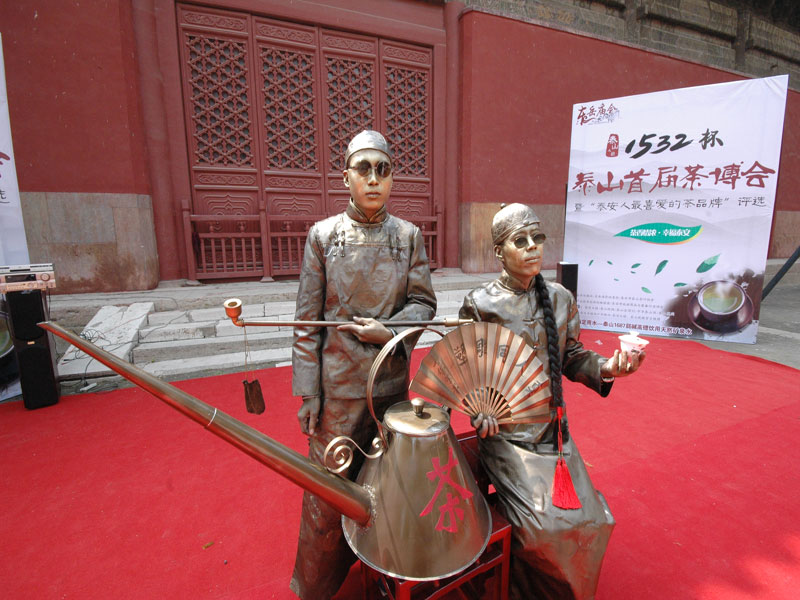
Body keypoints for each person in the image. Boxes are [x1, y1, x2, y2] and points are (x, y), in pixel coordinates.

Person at [459, 203, 646, 600]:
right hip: (507, 437)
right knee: (546, 529)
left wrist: (609, 367)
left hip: (553, 432)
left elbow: (572, 356)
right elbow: (467, 368)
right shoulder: (480, 303)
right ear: (499, 252)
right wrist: (480, 409)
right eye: (520, 240)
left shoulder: (560, 298)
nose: (532, 246)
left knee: (594, 521)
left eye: (537, 238)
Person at [290, 130, 437, 599]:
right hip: (336, 391)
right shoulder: (323, 236)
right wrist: (309, 393)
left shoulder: (408, 236)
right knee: (328, 493)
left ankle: (385, 572)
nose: (374, 179)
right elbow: (306, 322)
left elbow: (424, 303)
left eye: (383, 169)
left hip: (389, 386)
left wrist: (388, 331)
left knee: (388, 489)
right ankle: (315, 587)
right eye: (364, 169)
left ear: (392, 179)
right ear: (346, 177)